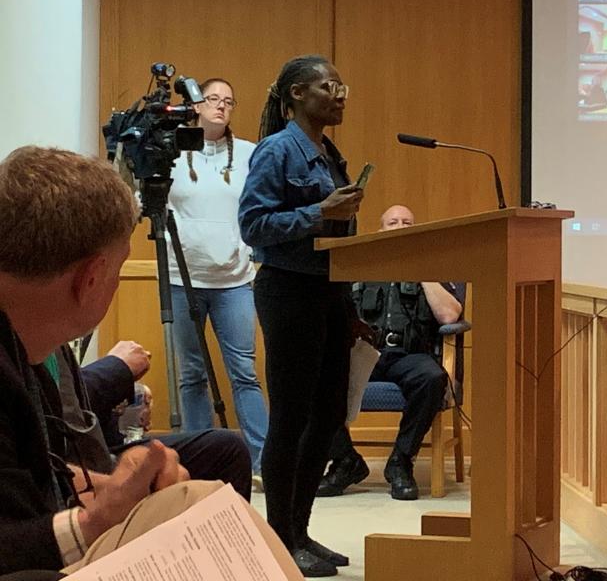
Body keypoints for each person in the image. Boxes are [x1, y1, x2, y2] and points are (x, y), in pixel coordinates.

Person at [0, 147, 301, 580]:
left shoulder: (25, 337)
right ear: (91, 279)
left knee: (197, 496)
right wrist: (92, 523)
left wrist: (99, 489)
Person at [239, 54, 371, 577]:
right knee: (291, 420)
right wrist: (321, 211)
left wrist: (351, 307)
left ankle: (300, 531)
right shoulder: (277, 149)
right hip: (289, 291)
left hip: (329, 293)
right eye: (327, 86)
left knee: (329, 416)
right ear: (295, 94)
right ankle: (278, 537)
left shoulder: (327, 151)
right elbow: (254, 225)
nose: (339, 95)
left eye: (342, 86)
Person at [316, 205, 465, 501]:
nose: (399, 227)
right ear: (380, 231)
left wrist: (418, 268)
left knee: (433, 378)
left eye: (406, 223)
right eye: (392, 222)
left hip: (410, 356)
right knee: (316, 376)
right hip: (365, 354)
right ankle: (346, 461)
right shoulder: (359, 267)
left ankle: (400, 462)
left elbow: (449, 315)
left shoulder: (431, 266)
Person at [167, 77, 268, 488]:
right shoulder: (170, 151)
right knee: (192, 374)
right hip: (181, 278)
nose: (221, 107)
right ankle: (199, 462)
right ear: (195, 105)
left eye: (228, 101)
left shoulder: (247, 153)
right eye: (213, 99)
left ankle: (264, 461)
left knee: (244, 371)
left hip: (234, 280)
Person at [53, 339, 253, 500]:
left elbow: (71, 409)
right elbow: (49, 418)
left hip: (90, 451)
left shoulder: (53, 338)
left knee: (227, 449)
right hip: (60, 469)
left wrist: (122, 405)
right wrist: (116, 368)